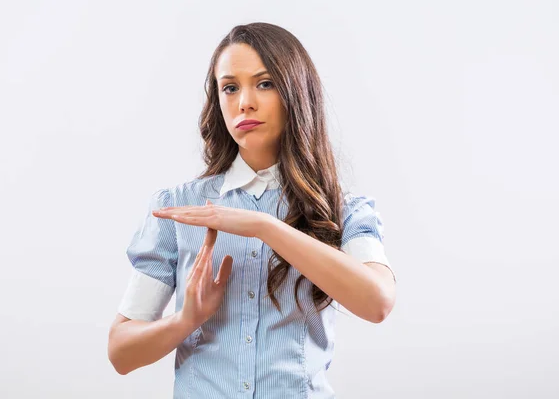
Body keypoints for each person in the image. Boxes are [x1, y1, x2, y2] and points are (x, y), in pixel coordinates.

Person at [108, 22, 397, 398]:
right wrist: (186, 320)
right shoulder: (176, 211)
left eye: (264, 83)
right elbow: (121, 352)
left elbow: (378, 301)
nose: (245, 101)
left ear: (295, 91)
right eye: (230, 88)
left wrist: (266, 227)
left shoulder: (344, 211)